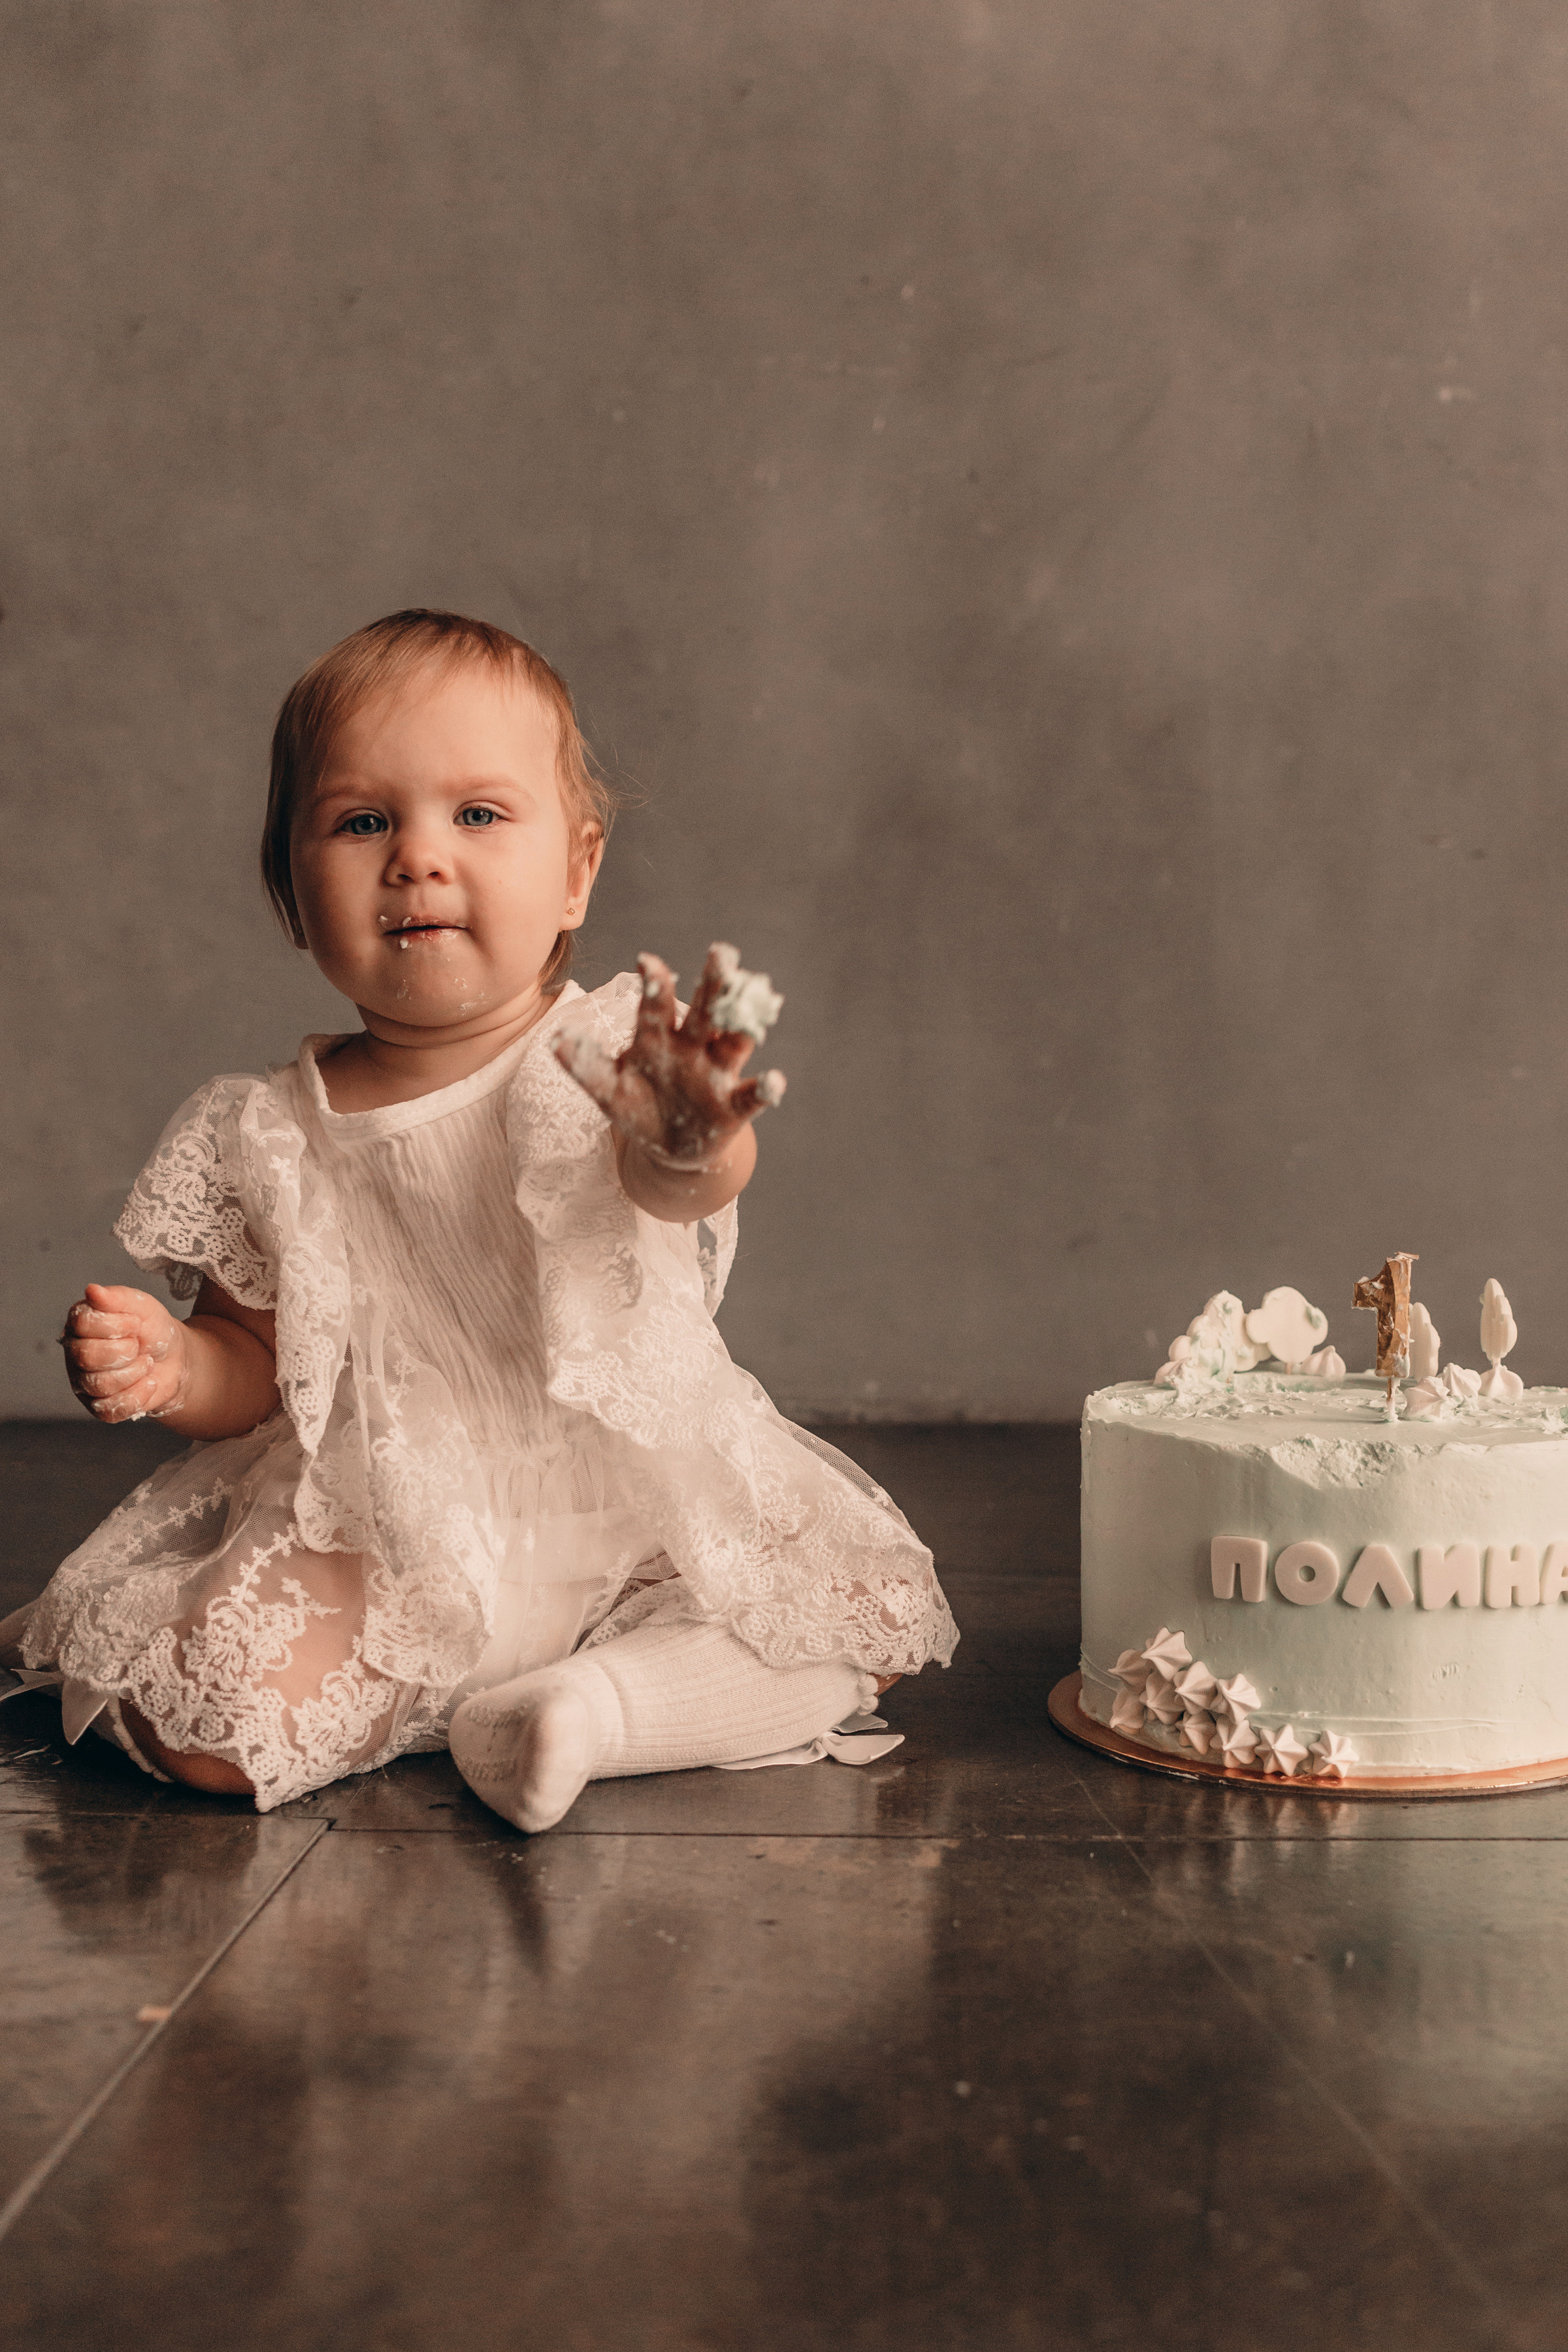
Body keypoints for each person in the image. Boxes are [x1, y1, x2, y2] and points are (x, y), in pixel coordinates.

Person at [3, 610, 956, 1829]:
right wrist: (177, 1366)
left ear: (576, 875)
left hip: (631, 1498)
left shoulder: (605, 1058)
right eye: (362, 823)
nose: (418, 857)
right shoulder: (267, 1131)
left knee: (860, 1620)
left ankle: (587, 1711)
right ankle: (491, 1683)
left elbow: (681, 1183)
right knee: (212, 1719)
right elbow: (258, 1364)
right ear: (290, 890)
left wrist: (691, 1133)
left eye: (478, 815)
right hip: (400, 1519)